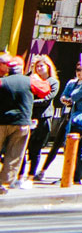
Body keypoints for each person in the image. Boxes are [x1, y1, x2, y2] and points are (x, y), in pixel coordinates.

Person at [0, 57, 32, 193]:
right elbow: (45, 90)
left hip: (2, 121)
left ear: (9, 70)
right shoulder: (30, 81)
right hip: (22, 122)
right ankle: (4, 183)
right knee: (14, 154)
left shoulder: (3, 81)